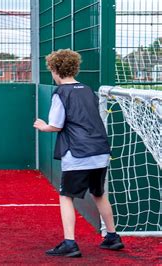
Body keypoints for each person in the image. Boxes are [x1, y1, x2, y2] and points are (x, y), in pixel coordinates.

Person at [34, 49, 124, 257]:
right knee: (99, 193)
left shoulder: (61, 93)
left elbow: (56, 125)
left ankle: (70, 243)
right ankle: (112, 236)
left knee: (66, 196)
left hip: (78, 153)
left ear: (56, 70)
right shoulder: (88, 89)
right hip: (100, 151)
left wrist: (42, 125)